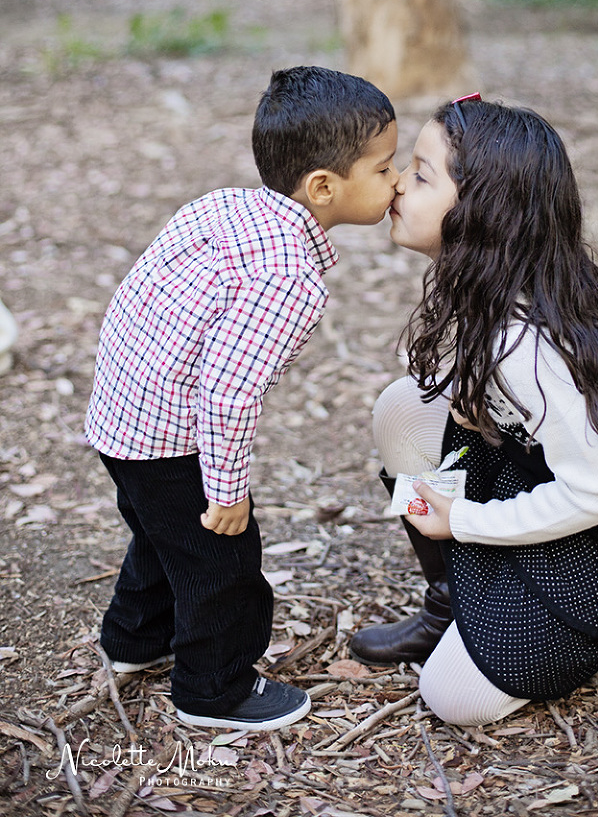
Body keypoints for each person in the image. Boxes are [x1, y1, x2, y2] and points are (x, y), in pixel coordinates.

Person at [349, 96, 598, 728]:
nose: (397, 182)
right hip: (555, 488)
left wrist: (466, 519)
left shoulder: (527, 343)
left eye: (421, 175)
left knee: (452, 698)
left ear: (483, 212)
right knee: (404, 409)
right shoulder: (508, 286)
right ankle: (450, 604)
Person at [85, 66, 398, 732]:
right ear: (323, 187)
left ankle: (134, 641)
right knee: (221, 563)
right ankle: (213, 690)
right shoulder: (288, 277)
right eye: (384, 168)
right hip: (172, 438)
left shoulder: (224, 205)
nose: (397, 182)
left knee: (162, 534)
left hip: (121, 415)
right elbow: (229, 394)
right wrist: (227, 492)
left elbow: (141, 289)